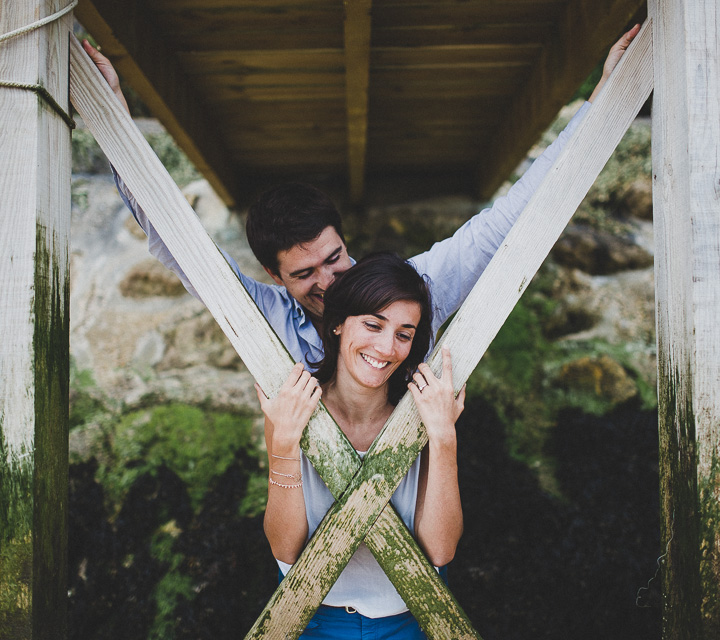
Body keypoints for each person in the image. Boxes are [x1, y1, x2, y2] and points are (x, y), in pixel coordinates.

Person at [81, 25, 640, 369]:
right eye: (304, 275)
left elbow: (506, 224)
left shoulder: (413, 289)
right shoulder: (264, 315)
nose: (329, 282)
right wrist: (114, 122)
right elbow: (175, 240)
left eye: (333, 258)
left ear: (345, 241)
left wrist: (604, 103)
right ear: (277, 279)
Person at [254, 252, 463, 639]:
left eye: (403, 334)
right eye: (373, 325)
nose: (386, 348)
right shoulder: (293, 407)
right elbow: (284, 549)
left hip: (412, 616)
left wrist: (443, 437)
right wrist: (283, 442)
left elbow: (440, 551)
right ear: (337, 325)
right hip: (311, 619)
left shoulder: (422, 415)